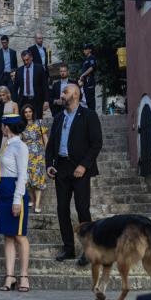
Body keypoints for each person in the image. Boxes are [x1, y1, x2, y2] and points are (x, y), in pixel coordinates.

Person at [45, 84, 102, 266]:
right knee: (62, 209)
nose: (62, 94)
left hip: (79, 170)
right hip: (61, 168)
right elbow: (51, 145)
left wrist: (84, 165)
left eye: (66, 92)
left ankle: (89, 249)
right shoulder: (59, 117)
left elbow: (96, 143)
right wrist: (49, 165)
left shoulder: (88, 115)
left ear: (75, 95)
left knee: (82, 208)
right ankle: (68, 248)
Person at [0, 114, 31, 293]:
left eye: (2, 125)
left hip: (15, 190)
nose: (1, 128)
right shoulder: (6, 145)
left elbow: (23, 175)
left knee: (19, 235)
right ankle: (10, 275)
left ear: (6, 127)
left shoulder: (20, 146)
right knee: (8, 235)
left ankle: (23, 276)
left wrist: (17, 199)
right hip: (3, 190)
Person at [20, 104, 48, 214]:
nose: (28, 114)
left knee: (38, 179)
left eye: (29, 111)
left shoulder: (39, 123)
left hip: (39, 155)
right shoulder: (22, 126)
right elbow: (21, 142)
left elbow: (45, 139)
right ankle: (32, 199)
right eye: (25, 112)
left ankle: (37, 204)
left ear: (33, 112)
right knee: (28, 180)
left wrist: (47, 153)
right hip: (27, 156)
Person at [0, 85, 19, 167]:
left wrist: (12, 132)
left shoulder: (14, 104)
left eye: (3, 95)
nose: (2, 97)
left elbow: (16, 120)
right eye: (0, 95)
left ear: (8, 94)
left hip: (9, 130)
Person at [15, 50, 46, 120]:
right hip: (23, 100)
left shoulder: (39, 68)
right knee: (24, 120)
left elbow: (44, 85)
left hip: (36, 99)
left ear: (31, 58)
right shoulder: (19, 70)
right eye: (24, 60)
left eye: (27, 60)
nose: (26, 62)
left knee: (37, 119)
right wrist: (15, 102)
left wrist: (46, 100)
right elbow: (15, 88)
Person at [78, 43, 98, 111]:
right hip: (86, 83)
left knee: (91, 100)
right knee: (87, 100)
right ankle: (90, 115)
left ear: (90, 50)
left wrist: (83, 75)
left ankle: (93, 115)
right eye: (84, 49)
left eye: (86, 49)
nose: (84, 51)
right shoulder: (86, 60)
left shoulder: (92, 58)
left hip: (90, 82)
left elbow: (92, 68)